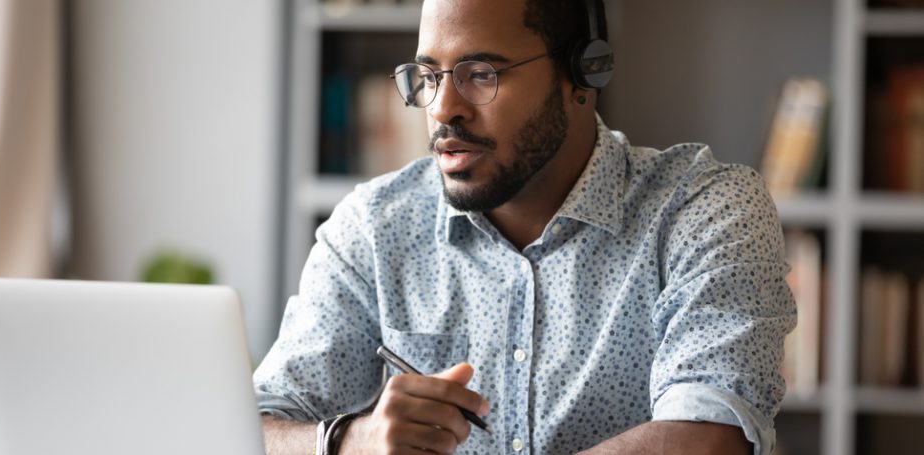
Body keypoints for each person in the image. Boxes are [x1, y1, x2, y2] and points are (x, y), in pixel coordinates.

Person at [254, 0, 796, 453]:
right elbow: (252, 429)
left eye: (481, 74)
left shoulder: (702, 210)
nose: (444, 110)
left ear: (584, 73)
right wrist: (353, 441)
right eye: (428, 77)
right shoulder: (375, 227)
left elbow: (706, 437)